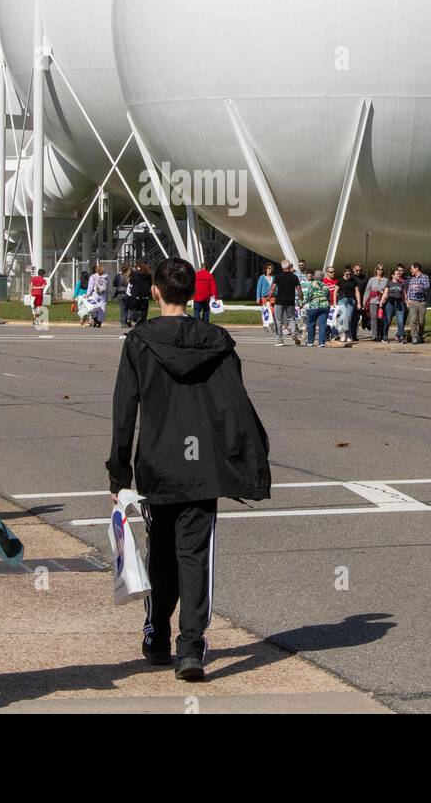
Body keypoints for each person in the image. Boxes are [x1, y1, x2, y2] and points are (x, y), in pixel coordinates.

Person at [108, 257, 271, 681]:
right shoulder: (217, 341)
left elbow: (125, 410)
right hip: (202, 466)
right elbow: (234, 404)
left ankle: (157, 635)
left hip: (158, 462)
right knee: (195, 555)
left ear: (156, 292)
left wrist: (118, 473)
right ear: (193, 293)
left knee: (160, 553)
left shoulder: (139, 342)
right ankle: (190, 646)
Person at [272, 260, 302, 346]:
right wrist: (301, 298)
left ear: (282, 267)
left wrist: (268, 297)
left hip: (280, 300)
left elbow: (273, 288)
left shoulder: (278, 276)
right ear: (289, 267)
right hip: (290, 301)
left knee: (278, 321)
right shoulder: (294, 277)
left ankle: (280, 340)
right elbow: (299, 289)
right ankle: (294, 334)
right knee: (291, 319)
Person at [301, 269, 332, 347]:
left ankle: (310, 342)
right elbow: (328, 296)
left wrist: (302, 303)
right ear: (322, 277)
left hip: (314, 306)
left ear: (315, 277)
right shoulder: (325, 285)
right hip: (324, 306)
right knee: (322, 325)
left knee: (311, 323)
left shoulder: (312, 284)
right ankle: (321, 342)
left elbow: (308, 296)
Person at [334, 266, 361, 344]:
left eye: (350, 274)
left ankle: (348, 334)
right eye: (347, 274)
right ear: (344, 273)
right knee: (343, 317)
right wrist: (335, 303)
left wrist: (359, 303)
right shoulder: (340, 280)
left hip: (351, 300)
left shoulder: (353, 281)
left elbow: (357, 292)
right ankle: (342, 334)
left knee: (348, 317)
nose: (348, 276)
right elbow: (335, 291)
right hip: (342, 300)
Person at [405, 263, 430, 345]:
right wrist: (408, 299)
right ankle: (414, 337)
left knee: (421, 321)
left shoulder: (425, 277)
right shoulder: (412, 279)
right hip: (413, 302)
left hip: (422, 302)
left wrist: (419, 287)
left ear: (417, 268)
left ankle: (420, 335)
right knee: (413, 320)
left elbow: (427, 288)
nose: (411, 270)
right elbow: (409, 290)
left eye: (412, 268)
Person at [383, 267, 409, 344]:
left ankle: (401, 338)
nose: (399, 275)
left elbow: (404, 295)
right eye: (397, 274)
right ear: (393, 275)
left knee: (400, 321)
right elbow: (385, 293)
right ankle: (384, 337)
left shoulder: (402, 284)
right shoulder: (389, 283)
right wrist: (382, 302)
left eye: (399, 274)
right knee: (388, 321)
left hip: (400, 303)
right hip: (390, 303)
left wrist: (407, 303)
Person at [365, 264, 389, 343]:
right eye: (378, 269)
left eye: (382, 269)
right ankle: (374, 335)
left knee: (381, 318)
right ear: (376, 270)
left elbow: (388, 290)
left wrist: (385, 298)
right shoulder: (372, 279)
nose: (380, 271)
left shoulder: (386, 280)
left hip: (382, 301)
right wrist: (364, 301)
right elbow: (368, 290)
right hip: (373, 301)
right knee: (374, 317)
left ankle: (381, 334)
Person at [255, 263, 275, 335]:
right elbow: (259, 288)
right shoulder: (262, 277)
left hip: (272, 297)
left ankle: (272, 325)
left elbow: (276, 287)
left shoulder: (274, 277)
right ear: (266, 269)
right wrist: (258, 298)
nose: (270, 270)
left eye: (271, 268)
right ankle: (265, 325)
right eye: (269, 268)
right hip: (265, 297)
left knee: (273, 311)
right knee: (266, 311)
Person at [350, 263, 368, 341]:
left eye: (360, 270)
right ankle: (351, 335)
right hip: (352, 300)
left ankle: (354, 335)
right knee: (352, 318)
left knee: (357, 319)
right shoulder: (351, 278)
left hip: (361, 301)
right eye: (357, 270)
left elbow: (366, 290)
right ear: (353, 270)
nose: (359, 272)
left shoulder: (364, 278)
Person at [113, 264, 131, 329]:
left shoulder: (118, 276)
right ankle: (129, 319)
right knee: (129, 307)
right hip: (128, 293)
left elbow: (114, 283)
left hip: (120, 293)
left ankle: (123, 322)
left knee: (122, 308)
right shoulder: (130, 276)